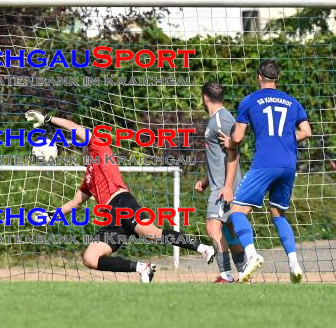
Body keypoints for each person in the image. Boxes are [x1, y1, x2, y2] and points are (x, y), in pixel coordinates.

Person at [25, 110, 215, 283]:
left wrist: (48, 119)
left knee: (153, 235)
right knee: (90, 259)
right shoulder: (89, 176)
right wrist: (51, 215)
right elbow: (75, 203)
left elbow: (74, 127)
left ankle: (203, 248)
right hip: (110, 219)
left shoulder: (99, 148)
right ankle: (142, 268)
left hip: (122, 203)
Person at [219, 60, 312, 283]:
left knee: (237, 211)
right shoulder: (292, 101)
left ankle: (251, 255)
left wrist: (229, 142)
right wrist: (286, 140)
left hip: (265, 163)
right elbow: (306, 131)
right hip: (288, 164)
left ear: (259, 77)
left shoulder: (250, 101)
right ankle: (294, 263)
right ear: (276, 78)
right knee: (278, 213)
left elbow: (238, 138)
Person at [195, 82, 246, 283]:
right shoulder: (216, 119)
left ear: (204, 97)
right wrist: (206, 180)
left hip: (225, 187)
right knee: (229, 230)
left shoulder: (223, 119)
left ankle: (226, 274)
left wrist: (226, 186)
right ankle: (243, 272)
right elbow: (221, 156)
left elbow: (233, 153)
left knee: (212, 227)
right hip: (219, 184)